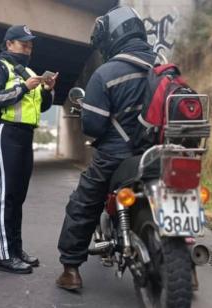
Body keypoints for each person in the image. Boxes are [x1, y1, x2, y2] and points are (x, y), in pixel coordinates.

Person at [56, 6, 157, 289]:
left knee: (83, 203)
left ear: (112, 37)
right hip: (157, 155)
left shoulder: (106, 73)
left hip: (117, 155)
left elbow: (93, 127)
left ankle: (71, 270)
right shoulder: (164, 68)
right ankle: (190, 271)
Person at [0, 25, 58, 274]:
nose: (28, 48)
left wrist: (47, 90)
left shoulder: (30, 72)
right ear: (9, 44)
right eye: (23, 43)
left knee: (18, 197)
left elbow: (41, 107)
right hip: (5, 131)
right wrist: (24, 87)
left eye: (30, 45)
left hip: (25, 135)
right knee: (6, 196)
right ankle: (3, 256)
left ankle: (16, 250)